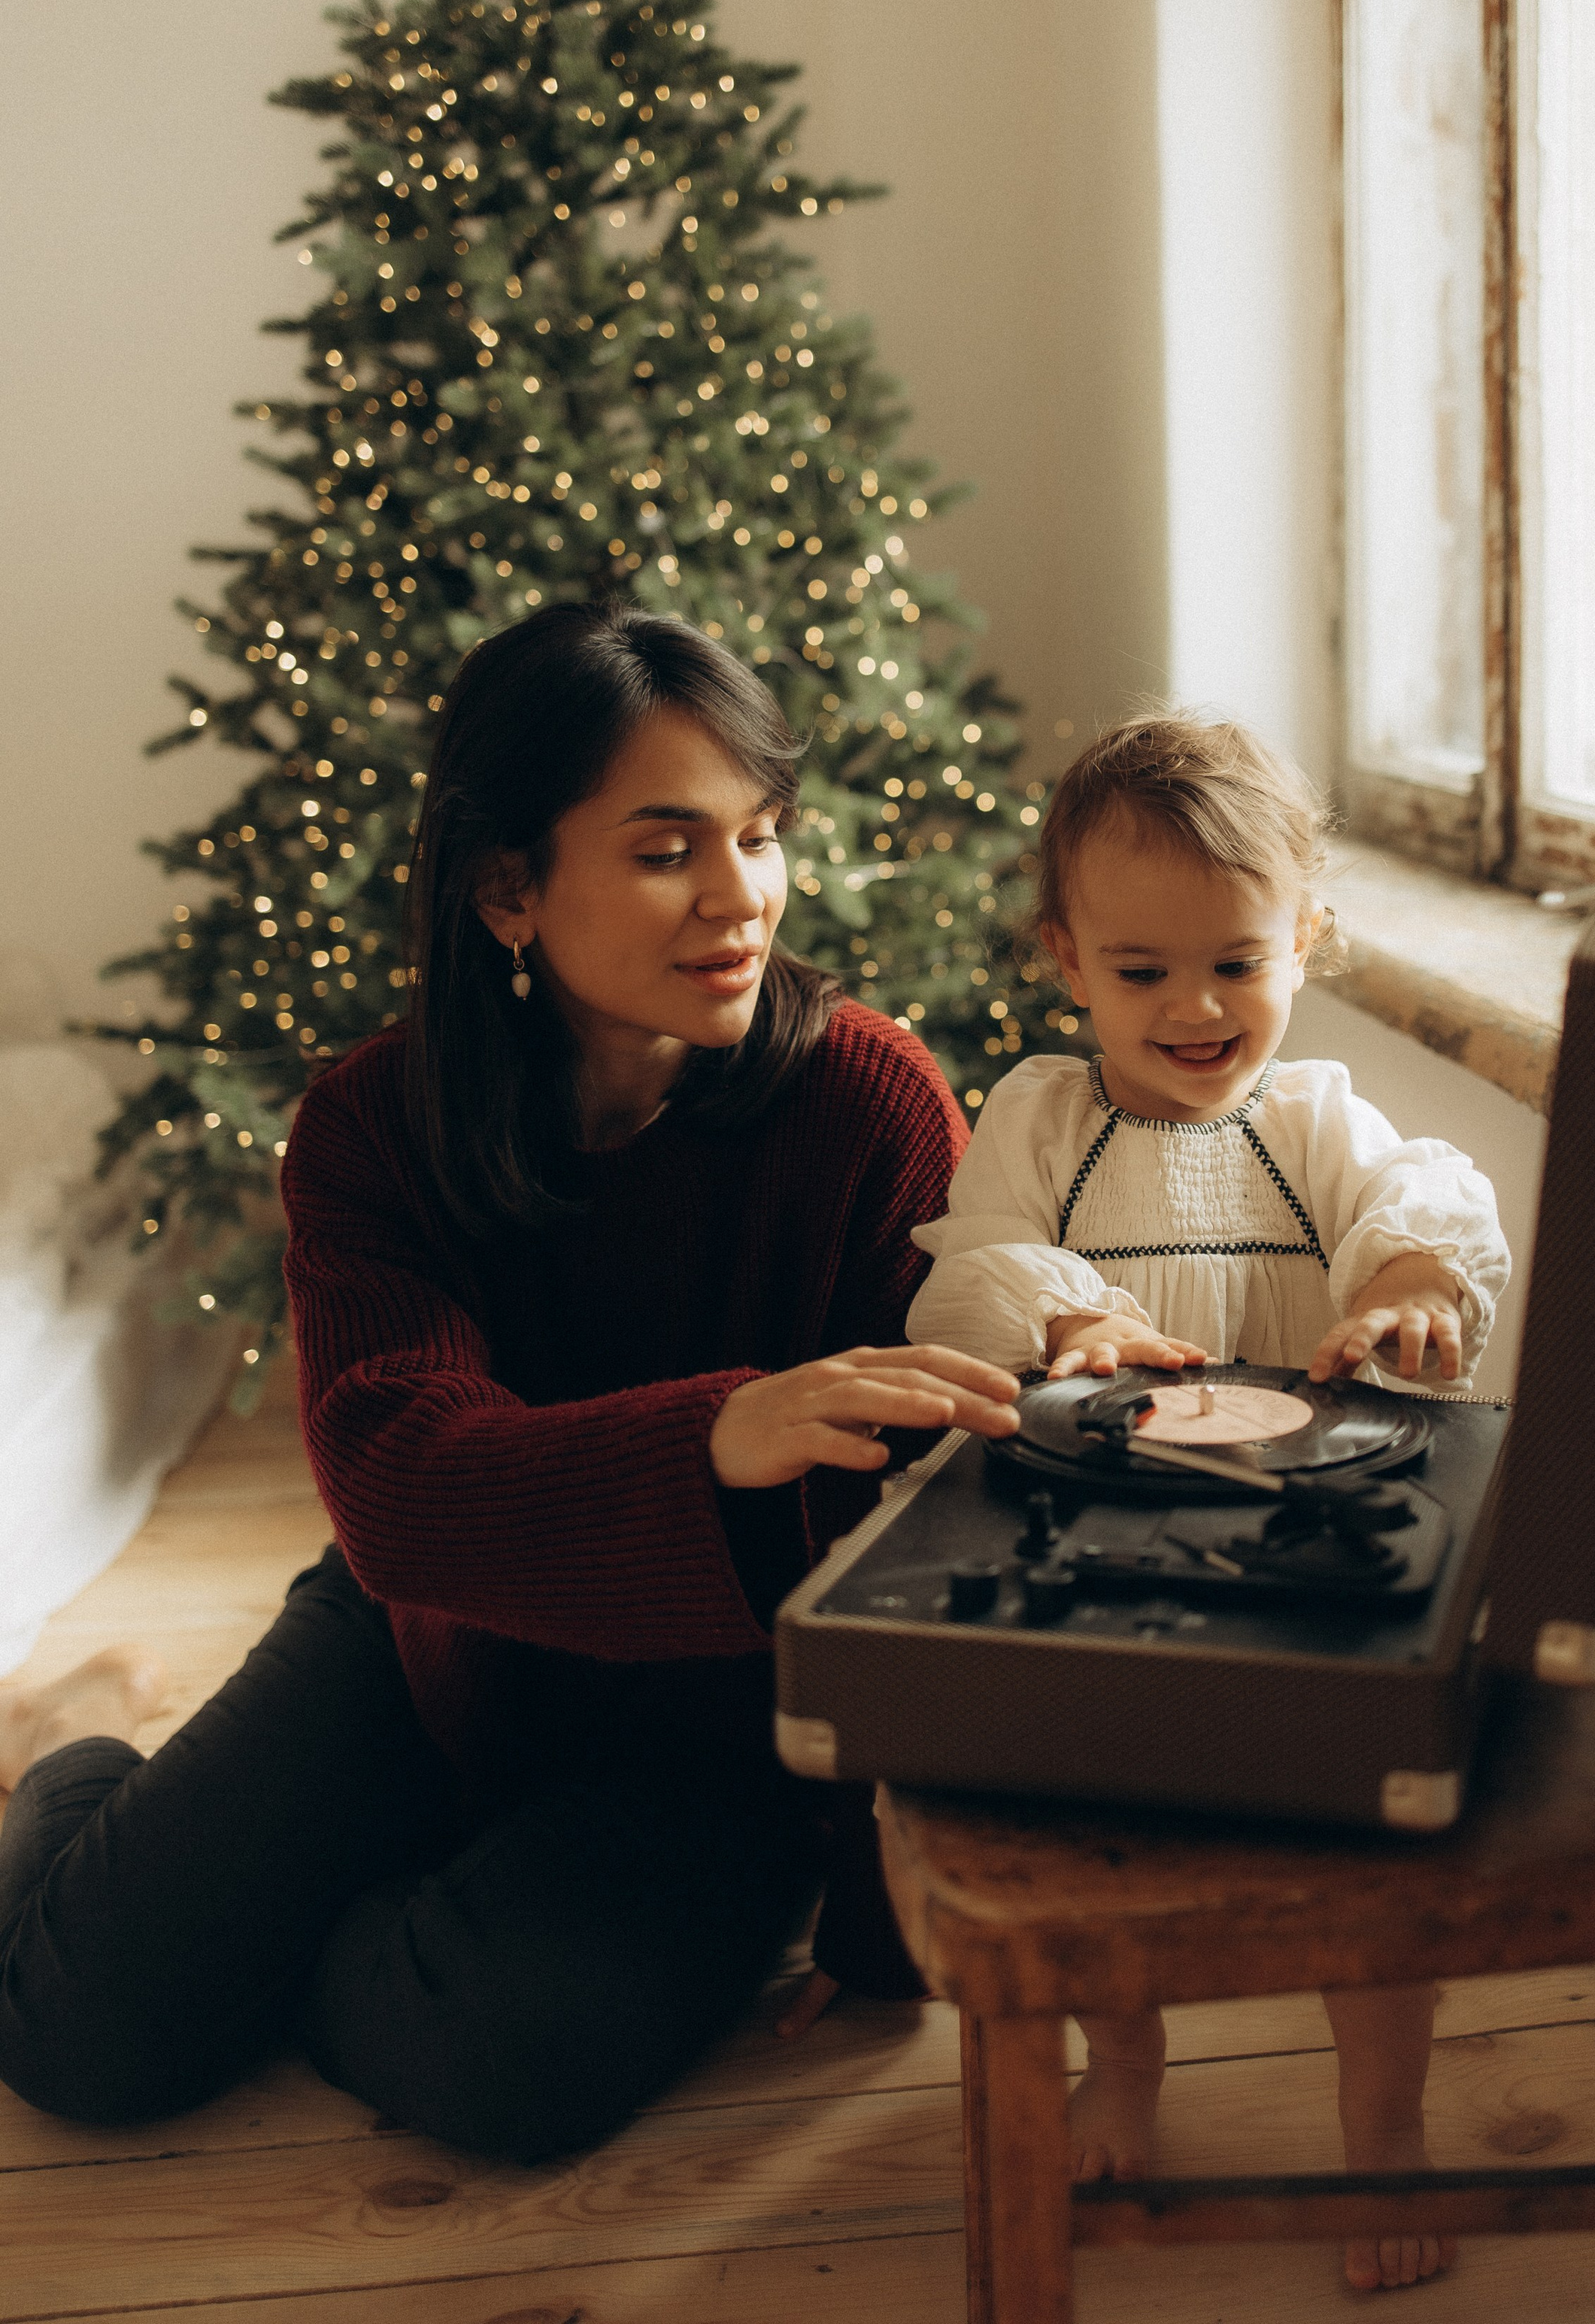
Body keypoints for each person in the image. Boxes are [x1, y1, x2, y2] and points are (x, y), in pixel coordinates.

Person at [0, 603, 1020, 2161]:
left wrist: (881, 1915)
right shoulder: (367, 1128)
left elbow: (924, 1545)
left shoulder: (868, 1103)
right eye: (666, 847)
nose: (739, 895)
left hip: (717, 1723)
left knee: (498, 2068)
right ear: (505, 890)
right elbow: (400, 1485)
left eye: (761, 835)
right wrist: (721, 1437)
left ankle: (313, 1908)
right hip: (423, 1641)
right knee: (77, 2037)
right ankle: (74, 1759)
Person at [906, 710, 1511, 2293]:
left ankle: (1380, 2125)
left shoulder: (1311, 1119)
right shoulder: (1043, 1118)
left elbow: (1422, 1197)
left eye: (1236, 963)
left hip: (1317, 1553)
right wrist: (1067, 1318)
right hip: (1107, 1552)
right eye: (1140, 971)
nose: (1193, 1009)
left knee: (1369, 1854)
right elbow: (965, 1282)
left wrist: (1400, 1285)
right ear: (1064, 957)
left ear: (1303, 940)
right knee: (1110, 1843)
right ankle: (1128, 2066)